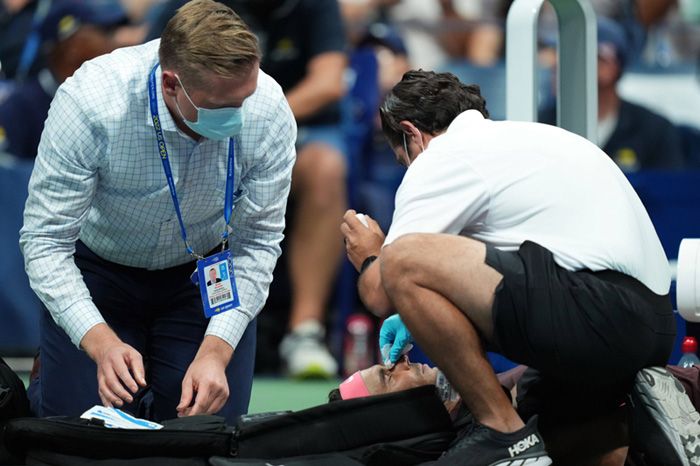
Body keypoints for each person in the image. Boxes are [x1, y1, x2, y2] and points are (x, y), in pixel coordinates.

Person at [340, 70, 676, 466]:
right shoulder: (535, 140)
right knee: (564, 436)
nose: (407, 170)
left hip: (600, 314)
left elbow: (381, 292)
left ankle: (503, 433)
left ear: (412, 134)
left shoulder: (445, 154)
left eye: (403, 161)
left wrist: (370, 258)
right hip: (651, 331)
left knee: (401, 261)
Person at [20, 0, 296, 423]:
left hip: (202, 274)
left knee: (204, 434)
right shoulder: (91, 102)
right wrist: (99, 342)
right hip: (99, 272)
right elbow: (45, 241)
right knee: (83, 436)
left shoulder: (269, 108)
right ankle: (53, 378)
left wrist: (217, 350)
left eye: (246, 97)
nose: (240, 117)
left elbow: (257, 242)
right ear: (171, 84)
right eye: (223, 107)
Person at [148, 0, 348, 380]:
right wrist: (214, 111)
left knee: (327, 168)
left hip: (298, 126)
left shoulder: (316, 7)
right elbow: (153, 67)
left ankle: (304, 331)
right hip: (199, 118)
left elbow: (328, 83)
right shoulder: (192, 8)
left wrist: (259, 118)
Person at [540, 17, 685, 172]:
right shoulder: (540, 126)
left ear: (610, 67)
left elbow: (670, 191)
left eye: (570, 55)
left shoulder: (654, 131)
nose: (556, 65)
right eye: (557, 54)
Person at [0, 1, 119, 160]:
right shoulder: (21, 107)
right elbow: (7, 174)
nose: (111, 42)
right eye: (102, 32)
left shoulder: (111, 100)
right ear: (72, 48)